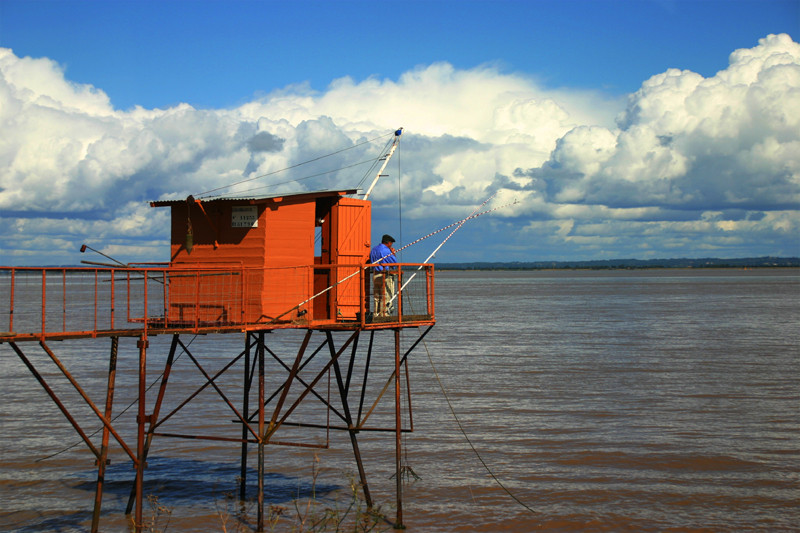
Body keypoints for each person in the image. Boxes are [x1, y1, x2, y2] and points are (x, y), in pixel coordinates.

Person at [369, 234, 398, 317]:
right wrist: (393, 253)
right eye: (391, 244)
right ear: (388, 243)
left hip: (375, 275)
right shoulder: (386, 250)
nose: (391, 245)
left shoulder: (374, 249)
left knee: (376, 296)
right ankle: (384, 314)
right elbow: (394, 264)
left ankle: (376, 314)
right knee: (385, 295)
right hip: (384, 275)